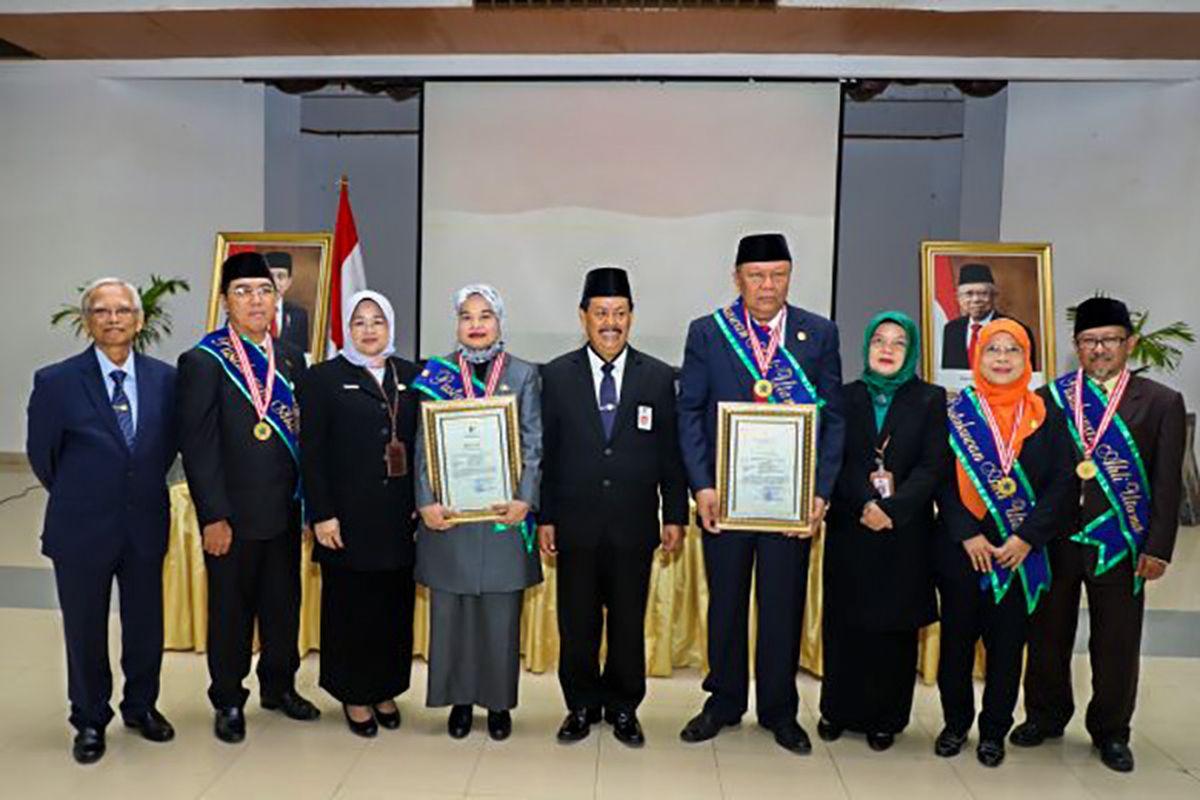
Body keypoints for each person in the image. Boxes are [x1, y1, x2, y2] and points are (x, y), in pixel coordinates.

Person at [677, 232, 846, 754]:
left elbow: (833, 417)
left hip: (790, 502)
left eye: (778, 275)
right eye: (757, 275)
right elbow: (690, 413)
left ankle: (778, 709)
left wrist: (819, 492)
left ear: (790, 275)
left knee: (782, 604)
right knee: (725, 602)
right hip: (726, 500)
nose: (767, 286)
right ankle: (724, 700)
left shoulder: (818, 333)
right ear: (737, 278)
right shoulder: (708, 333)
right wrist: (702, 485)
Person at [1011, 297, 1186, 773]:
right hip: (1057, 536)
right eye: (1089, 341)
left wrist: (1158, 547)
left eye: (1109, 339)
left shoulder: (1161, 402)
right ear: (1076, 346)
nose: (1100, 349)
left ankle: (1112, 730)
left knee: (1117, 640)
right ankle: (1045, 715)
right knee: (1047, 633)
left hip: (1121, 541)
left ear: (1128, 343)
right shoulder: (1051, 397)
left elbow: (1169, 484)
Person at [26, 278, 178, 764]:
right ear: (86, 320)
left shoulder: (166, 379)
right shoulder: (55, 382)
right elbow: (42, 455)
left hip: (145, 523)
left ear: (139, 320)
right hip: (81, 525)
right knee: (85, 627)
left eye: (122, 311)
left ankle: (141, 706)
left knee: (145, 623)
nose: (113, 319)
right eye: (101, 311)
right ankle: (90, 718)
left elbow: (167, 448)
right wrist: (86, 490)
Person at [538, 266, 689, 747]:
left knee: (627, 622)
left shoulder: (659, 377)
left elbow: (672, 453)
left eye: (619, 313)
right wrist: (547, 516)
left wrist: (675, 515)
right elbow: (547, 454)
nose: (610, 322)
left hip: (633, 526)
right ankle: (580, 705)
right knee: (577, 622)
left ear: (631, 317)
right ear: (583, 317)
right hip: (576, 525)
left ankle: (624, 707)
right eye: (600, 313)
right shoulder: (557, 376)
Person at [177, 252, 319, 744]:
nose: (255, 300)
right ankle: (228, 699)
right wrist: (213, 515)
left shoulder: (291, 357)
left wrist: (307, 505)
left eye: (263, 290)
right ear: (224, 302)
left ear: (276, 298)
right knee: (232, 613)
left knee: (284, 607)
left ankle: (278, 688)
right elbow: (197, 446)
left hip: (284, 512)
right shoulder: (203, 360)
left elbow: (301, 438)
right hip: (232, 518)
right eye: (243, 292)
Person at [934, 319, 1074, 767]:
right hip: (963, 552)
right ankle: (955, 725)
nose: (1001, 359)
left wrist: (1027, 537)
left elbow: (1061, 484)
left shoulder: (1046, 416)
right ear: (977, 357)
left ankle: (994, 730)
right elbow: (939, 480)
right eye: (992, 350)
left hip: (1018, 554)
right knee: (955, 645)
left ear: (1027, 359)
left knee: (1008, 647)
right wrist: (967, 533)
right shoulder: (956, 412)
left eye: (1012, 350)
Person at [413, 284, 543, 741]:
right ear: (457, 324)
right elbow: (423, 446)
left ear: (498, 322)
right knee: (452, 613)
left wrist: (526, 498)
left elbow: (533, 442)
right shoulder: (437, 373)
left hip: (503, 514)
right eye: (467, 316)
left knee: (500, 615)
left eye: (485, 315)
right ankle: (460, 701)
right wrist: (425, 500)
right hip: (451, 516)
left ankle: (499, 704)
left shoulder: (524, 374)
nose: (476, 324)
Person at [818, 311, 946, 752]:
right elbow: (834, 458)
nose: (887, 350)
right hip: (852, 528)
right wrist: (866, 503)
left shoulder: (931, 399)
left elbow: (933, 466)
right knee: (845, 623)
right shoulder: (843, 397)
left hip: (904, 533)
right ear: (867, 348)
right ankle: (837, 710)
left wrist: (893, 508)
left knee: (893, 630)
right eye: (879, 341)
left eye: (897, 343)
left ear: (910, 351)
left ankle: (885, 718)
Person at [300, 290, 420, 738]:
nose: (369, 331)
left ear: (390, 326)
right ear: (346, 330)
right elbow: (310, 455)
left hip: (399, 519)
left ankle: (385, 687)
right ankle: (354, 693)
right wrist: (323, 514)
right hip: (345, 520)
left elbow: (428, 446)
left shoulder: (412, 374)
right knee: (351, 607)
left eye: (378, 321)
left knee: (392, 606)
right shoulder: (322, 378)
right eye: (359, 322)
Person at [941, 263, 1036, 371]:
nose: (976, 299)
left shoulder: (1016, 330)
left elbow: (1027, 376)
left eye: (983, 293)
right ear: (959, 298)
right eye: (969, 294)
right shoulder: (951, 329)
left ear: (994, 296)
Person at [266, 251, 310, 352]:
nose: (275, 282)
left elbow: (303, 353)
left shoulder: (298, 315)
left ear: (288, 282)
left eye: (280, 277)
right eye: (270, 276)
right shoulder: (249, 310)